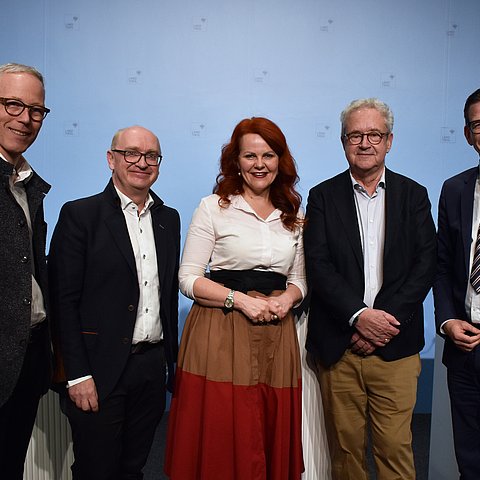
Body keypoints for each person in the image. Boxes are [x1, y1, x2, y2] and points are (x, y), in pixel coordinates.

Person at [164, 117, 307, 480]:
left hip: (277, 334)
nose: (260, 164)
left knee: (267, 426)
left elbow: (299, 279)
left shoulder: (294, 214)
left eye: (269, 155)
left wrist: (287, 300)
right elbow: (188, 278)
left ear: (281, 161)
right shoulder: (213, 207)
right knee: (224, 428)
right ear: (236, 161)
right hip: (221, 330)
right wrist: (241, 301)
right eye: (250, 155)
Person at [304, 98, 436, 480]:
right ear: (343, 142)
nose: (365, 143)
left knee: (395, 450)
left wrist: (383, 322)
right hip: (340, 346)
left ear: (389, 141)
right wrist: (360, 318)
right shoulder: (323, 196)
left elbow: (424, 265)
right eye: (356, 135)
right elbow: (319, 266)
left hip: (395, 346)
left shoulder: (414, 195)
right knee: (345, 454)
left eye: (374, 134)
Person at [48, 126, 180, 480]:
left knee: (134, 469)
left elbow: (165, 297)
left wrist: (171, 365)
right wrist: (77, 375)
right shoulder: (81, 215)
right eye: (131, 153)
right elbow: (63, 301)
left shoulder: (169, 219)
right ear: (112, 159)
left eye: (151, 156)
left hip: (151, 369)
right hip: (97, 370)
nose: (142, 162)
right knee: (96, 470)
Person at [0, 62, 52, 479]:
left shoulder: (27, 183)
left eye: (36, 110)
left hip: (26, 356)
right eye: (12, 104)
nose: (25, 119)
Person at [433, 88, 480, 479]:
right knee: (470, 459)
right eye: (478, 124)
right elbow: (443, 266)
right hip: (465, 346)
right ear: (467, 134)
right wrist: (447, 322)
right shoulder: (454, 189)